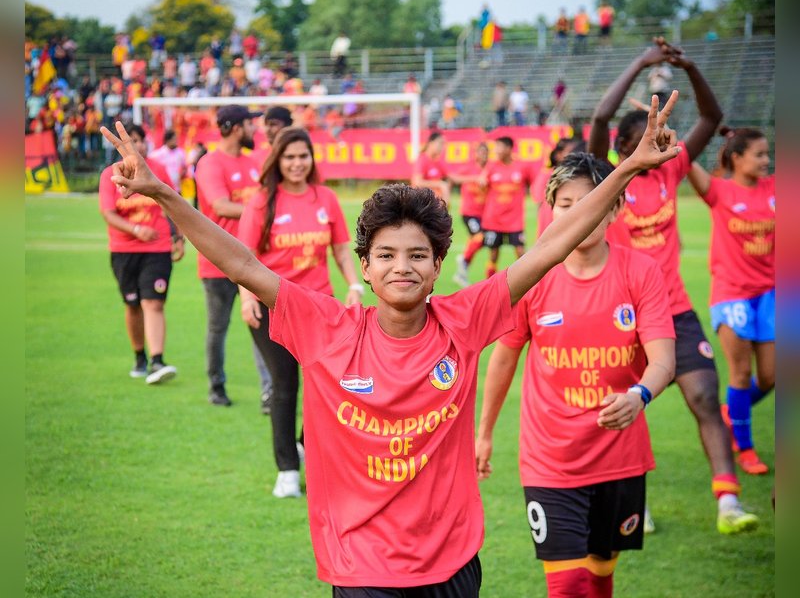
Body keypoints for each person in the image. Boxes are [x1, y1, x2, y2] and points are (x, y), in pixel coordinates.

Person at [101, 89, 682, 596]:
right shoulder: (325, 326)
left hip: (452, 561)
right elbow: (240, 261)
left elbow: (551, 246)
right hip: (360, 566)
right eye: (385, 255)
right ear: (366, 268)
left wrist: (628, 168)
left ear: (436, 267)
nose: (401, 267)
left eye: (417, 256)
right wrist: (165, 196)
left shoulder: (467, 317)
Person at [476, 152, 675, 598]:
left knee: (601, 576)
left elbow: (663, 358)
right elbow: (504, 358)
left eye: (592, 201)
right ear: (551, 210)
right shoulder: (532, 276)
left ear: (616, 205)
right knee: (567, 585)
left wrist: (640, 395)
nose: (580, 213)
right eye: (566, 204)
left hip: (620, 456)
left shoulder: (640, 272)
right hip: (551, 460)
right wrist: (484, 433)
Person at [588, 38, 759, 534]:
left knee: (706, 397)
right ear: (626, 147)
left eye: (666, 136)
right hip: (617, 313)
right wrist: (639, 62)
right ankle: (629, 502)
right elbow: (600, 120)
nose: (666, 143)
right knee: (620, 409)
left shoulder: (674, 167)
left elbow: (712, 116)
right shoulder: (609, 176)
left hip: (673, 310)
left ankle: (728, 504)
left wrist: (688, 66)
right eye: (655, 136)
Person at [237, 127, 363, 498]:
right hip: (272, 307)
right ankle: (287, 471)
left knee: (328, 383)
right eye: (289, 157)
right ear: (278, 160)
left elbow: (341, 249)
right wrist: (247, 299)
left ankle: (304, 447)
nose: (296, 164)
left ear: (311, 159)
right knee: (285, 384)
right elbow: (243, 260)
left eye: (303, 156)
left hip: (319, 308)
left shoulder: (325, 197)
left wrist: (353, 285)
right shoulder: (262, 202)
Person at [686, 127, 775, 475]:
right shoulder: (719, 191)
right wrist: (672, 137)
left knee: (771, 376)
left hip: (771, 293)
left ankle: (732, 414)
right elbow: (685, 160)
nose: (766, 161)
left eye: (768, 154)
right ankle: (746, 448)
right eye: (759, 154)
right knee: (740, 373)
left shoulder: (776, 189)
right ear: (737, 158)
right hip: (731, 293)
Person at [194, 105, 274, 410]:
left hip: (254, 259)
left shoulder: (255, 161)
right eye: (250, 125)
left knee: (262, 325)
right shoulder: (210, 163)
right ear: (237, 128)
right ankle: (216, 386)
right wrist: (265, 214)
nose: (255, 130)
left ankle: (269, 390)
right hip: (218, 261)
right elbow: (222, 206)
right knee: (218, 327)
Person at [99, 123, 182, 385]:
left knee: (153, 303)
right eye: (129, 141)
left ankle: (157, 360)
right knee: (133, 305)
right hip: (124, 250)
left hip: (157, 248)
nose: (136, 145)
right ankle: (139, 357)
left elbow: (173, 202)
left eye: (139, 140)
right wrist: (135, 229)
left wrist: (178, 236)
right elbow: (108, 212)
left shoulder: (158, 171)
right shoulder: (109, 175)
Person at [480, 136, 532, 278]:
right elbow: (483, 187)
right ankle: (489, 285)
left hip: (514, 220)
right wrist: (482, 184)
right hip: (494, 219)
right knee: (493, 255)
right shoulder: (491, 167)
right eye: (495, 147)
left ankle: (526, 282)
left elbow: (532, 183)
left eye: (499, 147)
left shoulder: (521, 167)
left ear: (509, 149)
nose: (496, 150)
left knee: (521, 252)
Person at [453, 142, 489, 287]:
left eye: (485, 153)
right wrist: (474, 179)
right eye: (480, 152)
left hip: (485, 213)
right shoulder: (469, 167)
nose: (483, 155)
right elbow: (455, 178)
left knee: (481, 241)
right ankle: (464, 260)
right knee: (479, 237)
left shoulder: (489, 168)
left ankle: (462, 270)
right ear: (476, 153)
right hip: (469, 212)